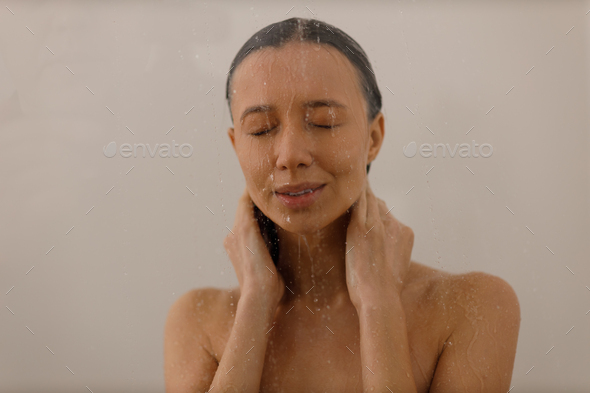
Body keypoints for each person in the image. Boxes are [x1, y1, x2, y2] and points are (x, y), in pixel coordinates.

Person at [164, 17, 520, 393]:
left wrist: (378, 305)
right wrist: (255, 303)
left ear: (374, 137)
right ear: (237, 147)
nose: (289, 156)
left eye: (323, 122)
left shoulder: (473, 307)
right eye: (262, 129)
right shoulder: (197, 321)